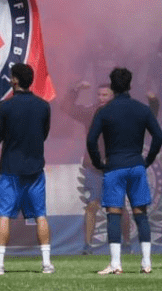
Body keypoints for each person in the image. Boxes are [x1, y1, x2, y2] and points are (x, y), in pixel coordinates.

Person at [85, 67, 162, 275]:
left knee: (113, 214)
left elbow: (91, 140)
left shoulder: (105, 111)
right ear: (130, 85)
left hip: (114, 167)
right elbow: (158, 137)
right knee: (141, 214)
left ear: (112, 86)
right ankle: (146, 263)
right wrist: (148, 160)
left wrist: (98, 163)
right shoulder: (142, 109)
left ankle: (116, 264)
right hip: (136, 166)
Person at [0, 63, 53, 276]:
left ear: (15, 81)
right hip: (35, 168)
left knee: (3, 215)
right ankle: (47, 263)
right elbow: (44, 134)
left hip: (10, 169)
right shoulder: (43, 106)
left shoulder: (5, 107)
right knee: (41, 215)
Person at [58, 79, 113, 254]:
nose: (101, 98)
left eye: (105, 94)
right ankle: (87, 246)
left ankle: (126, 244)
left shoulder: (120, 111)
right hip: (93, 165)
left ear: (113, 95)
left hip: (115, 166)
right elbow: (66, 108)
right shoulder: (91, 111)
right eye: (99, 94)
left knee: (118, 208)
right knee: (91, 205)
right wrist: (75, 89)